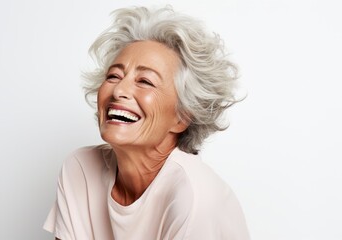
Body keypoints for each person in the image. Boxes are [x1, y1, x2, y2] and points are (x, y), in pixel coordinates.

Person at [44, 5, 250, 240]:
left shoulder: (194, 197)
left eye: (145, 81)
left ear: (182, 116)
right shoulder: (80, 169)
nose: (119, 90)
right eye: (114, 76)